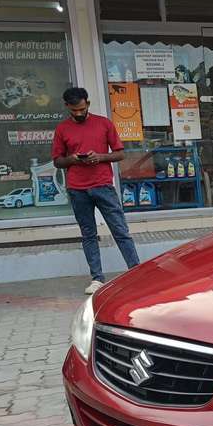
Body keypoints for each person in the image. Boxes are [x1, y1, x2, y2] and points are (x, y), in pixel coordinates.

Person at [52, 87, 139, 294]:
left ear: (88, 104)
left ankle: (137, 272)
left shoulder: (104, 123)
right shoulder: (62, 129)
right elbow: (57, 161)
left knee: (120, 231)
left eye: (82, 109)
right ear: (67, 107)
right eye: (75, 110)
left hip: (103, 186)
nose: (79, 113)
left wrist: (99, 157)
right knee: (88, 234)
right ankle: (97, 278)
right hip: (77, 188)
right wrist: (72, 159)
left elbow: (120, 154)